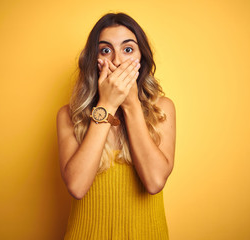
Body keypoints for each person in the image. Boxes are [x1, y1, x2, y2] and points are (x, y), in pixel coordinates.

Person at [57, 12, 176, 239]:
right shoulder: (69, 115)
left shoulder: (163, 109)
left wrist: (130, 104)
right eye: (105, 50)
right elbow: (77, 186)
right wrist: (107, 105)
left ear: (142, 58)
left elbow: (154, 182)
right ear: (94, 60)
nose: (118, 61)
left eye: (128, 49)